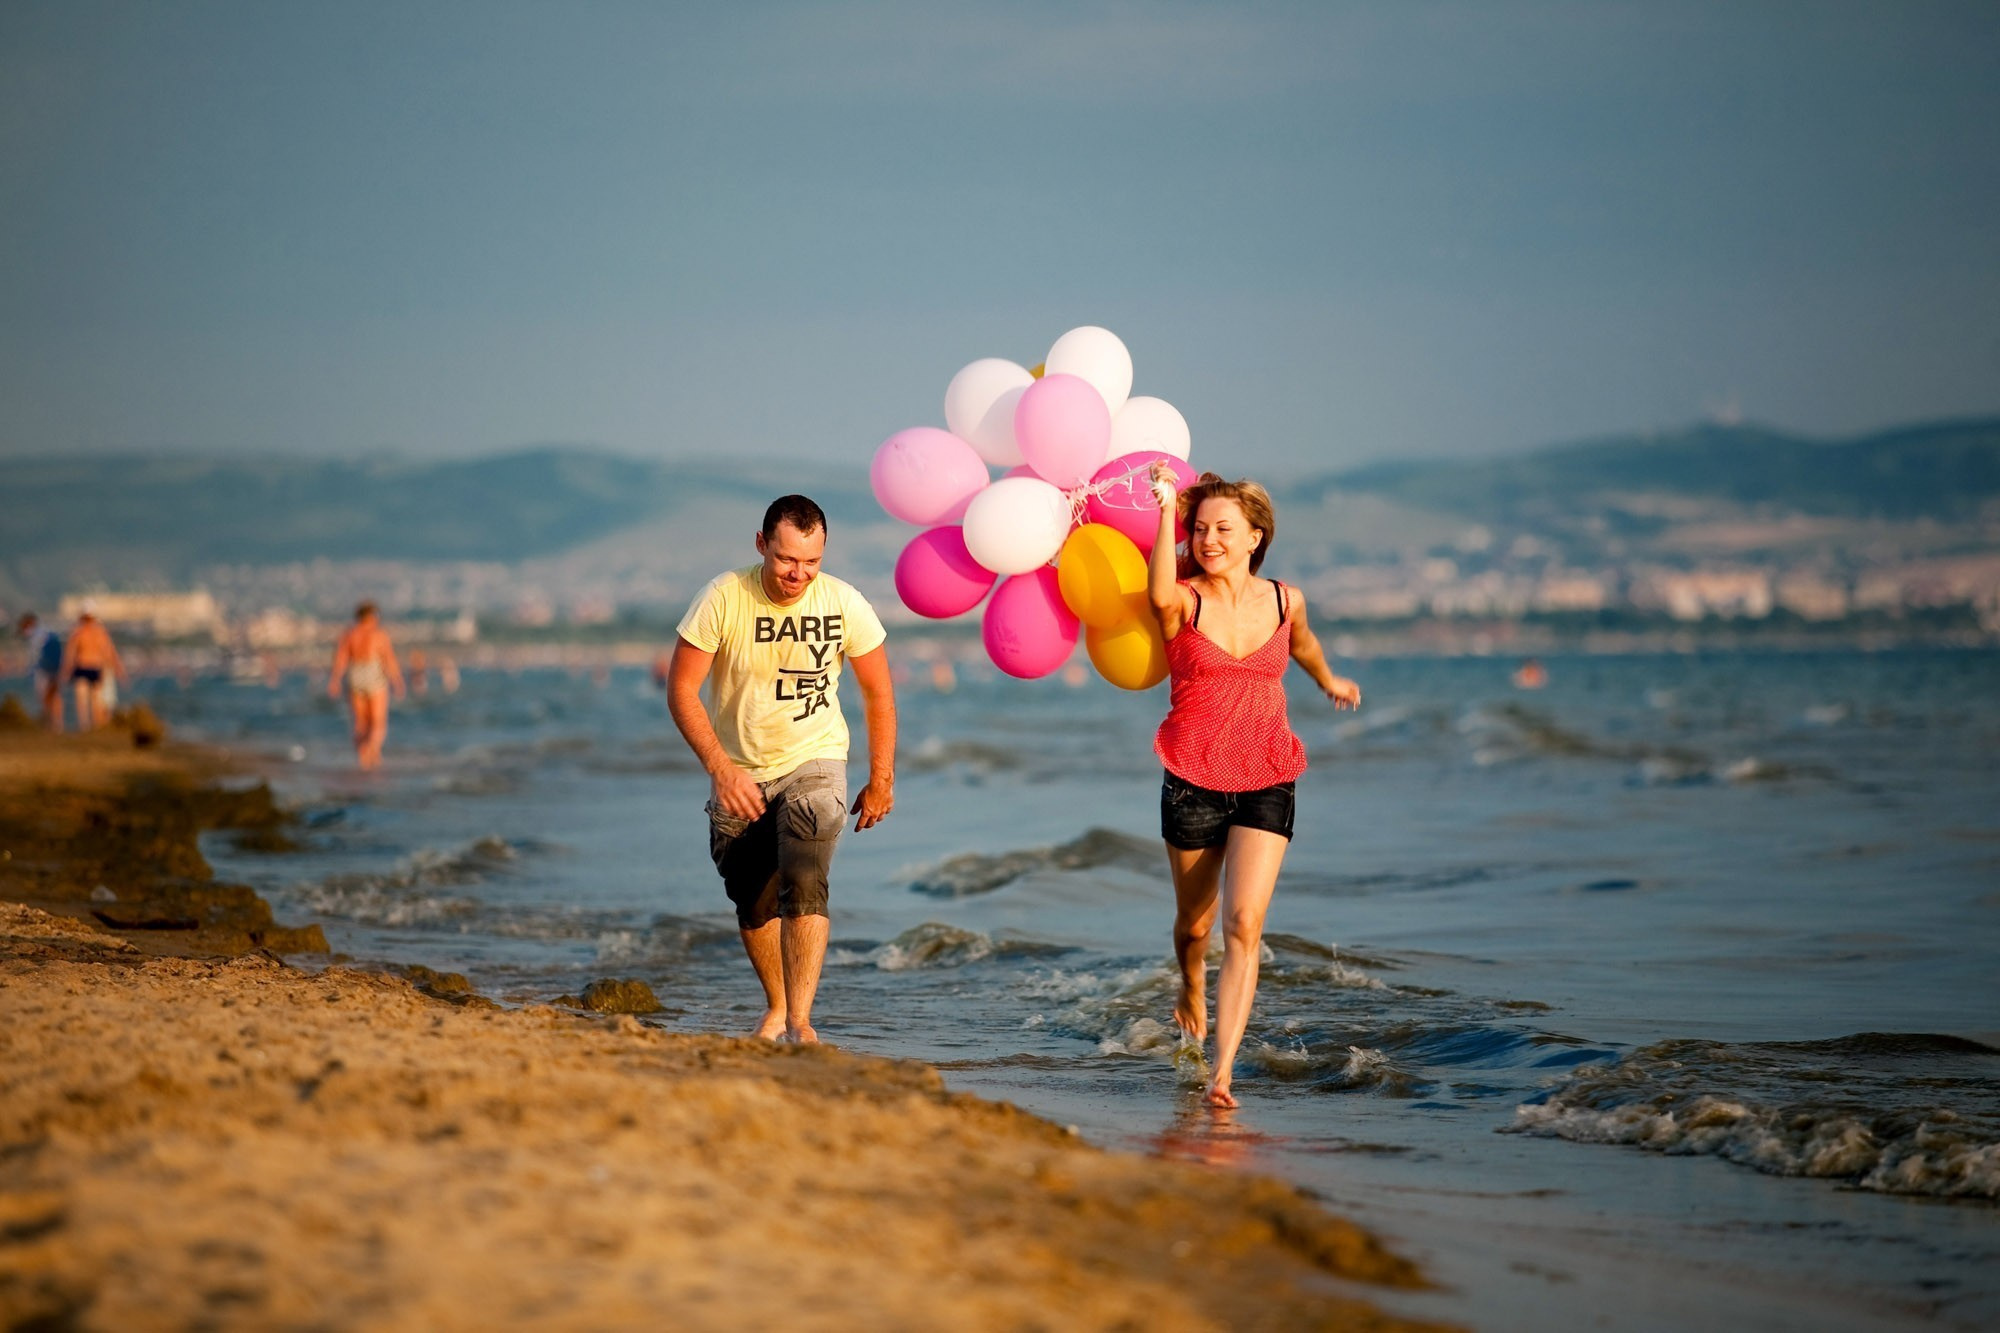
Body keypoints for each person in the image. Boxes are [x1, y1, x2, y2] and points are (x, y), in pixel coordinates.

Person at [1147, 462, 1362, 1108]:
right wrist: (1164, 509)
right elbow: (1157, 596)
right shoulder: (1184, 599)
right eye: (1199, 528)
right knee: (1195, 923)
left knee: (1244, 922)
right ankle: (1190, 978)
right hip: (1191, 776)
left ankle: (1222, 1073)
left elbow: (1304, 643)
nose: (1208, 539)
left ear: (1255, 535)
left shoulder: (1284, 599)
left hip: (1269, 772)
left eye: (1223, 528)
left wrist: (1328, 680)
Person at [666, 495, 896, 1045]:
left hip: (814, 759)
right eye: (787, 559)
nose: (799, 574)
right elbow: (681, 689)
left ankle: (801, 1023)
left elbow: (877, 691)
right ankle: (777, 1005)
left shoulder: (844, 603)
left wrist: (881, 778)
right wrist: (721, 769)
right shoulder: (724, 597)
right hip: (739, 771)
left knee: (804, 876)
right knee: (753, 901)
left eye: (812, 562)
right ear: (761, 545)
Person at [328, 602, 405, 770]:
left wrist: (334, 681)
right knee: (378, 721)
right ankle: (373, 751)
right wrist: (397, 682)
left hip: (355, 673)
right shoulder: (378, 634)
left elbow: (340, 659)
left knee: (360, 721)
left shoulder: (349, 634)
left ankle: (363, 756)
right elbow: (389, 660)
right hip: (373, 672)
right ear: (370, 617)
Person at [59, 602, 129, 733]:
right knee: (94, 700)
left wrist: (65, 672)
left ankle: (87, 726)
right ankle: (93, 727)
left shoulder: (79, 632)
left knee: (85, 700)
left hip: (85, 667)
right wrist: (120, 672)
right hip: (94, 668)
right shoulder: (99, 632)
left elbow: (70, 655)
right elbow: (109, 653)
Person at [16, 613, 64, 732]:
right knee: (55, 696)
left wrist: (31, 670)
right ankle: (58, 724)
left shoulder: (36, 636)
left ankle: (50, 724)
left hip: (43, 671)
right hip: (56, 669)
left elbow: (35, 657)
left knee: (45, 698)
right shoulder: (48, 632)